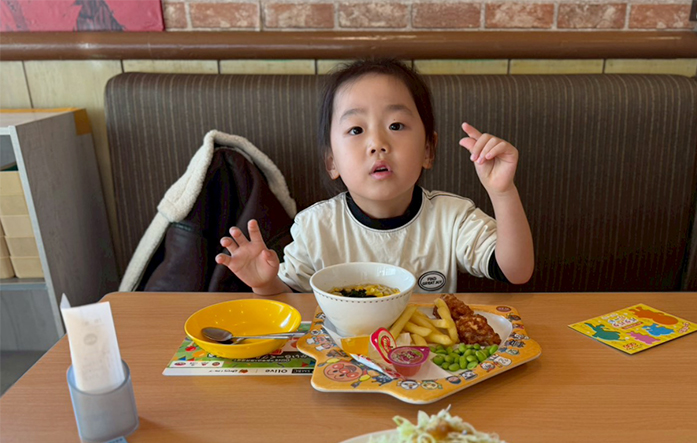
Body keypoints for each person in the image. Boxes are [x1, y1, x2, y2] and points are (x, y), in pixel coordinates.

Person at [215, 58, 534, 295]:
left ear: (428, 149)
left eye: (396, 125)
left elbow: (517, 270)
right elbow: (293, 306)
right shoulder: (316, 228)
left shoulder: (452, 219)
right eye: (356, 129)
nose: (377, 143)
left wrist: (502, 191)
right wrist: (265, 283)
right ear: (332, 162)